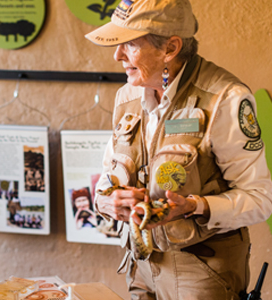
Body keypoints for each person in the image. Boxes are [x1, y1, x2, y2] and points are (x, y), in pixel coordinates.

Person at [86, 0, 272, 299]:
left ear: (170, 48)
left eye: (130, 44)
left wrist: (195, 207)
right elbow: (109, 177)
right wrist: (105, 200)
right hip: (141, 264)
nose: (117, 55)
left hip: (202, 271)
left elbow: (260, 199)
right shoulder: (127, 95)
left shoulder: (226, 98)